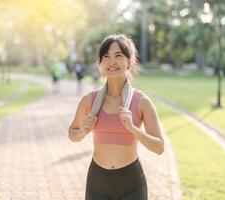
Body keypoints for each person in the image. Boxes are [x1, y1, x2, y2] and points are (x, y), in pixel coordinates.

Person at [68, 34, 165, 200]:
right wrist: (84, 130)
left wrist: (133, 129)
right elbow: (72, 134)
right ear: (100, 63)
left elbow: (159, 147)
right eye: (106, 56)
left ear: (129, 61)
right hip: (97, 182)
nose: (111, 62)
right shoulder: (89, 101)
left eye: (118, 55)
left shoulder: (141, 102)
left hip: (131, 183)